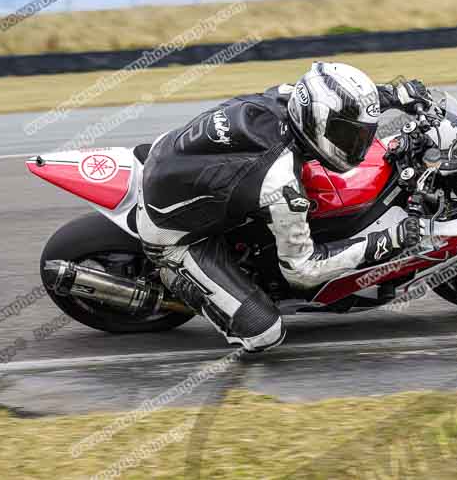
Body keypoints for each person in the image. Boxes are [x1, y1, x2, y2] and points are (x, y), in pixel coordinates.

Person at [137, 62, 430, 352]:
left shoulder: (287, 98)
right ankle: (175, 276)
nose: (359, 144)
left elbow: (337, 103)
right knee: (263, 332)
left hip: (173, 161)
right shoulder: (279, 181)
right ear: (318, 124)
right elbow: (302, 270)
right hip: (173, 233)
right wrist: (386, 241)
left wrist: (396, 95)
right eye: (348, 136)